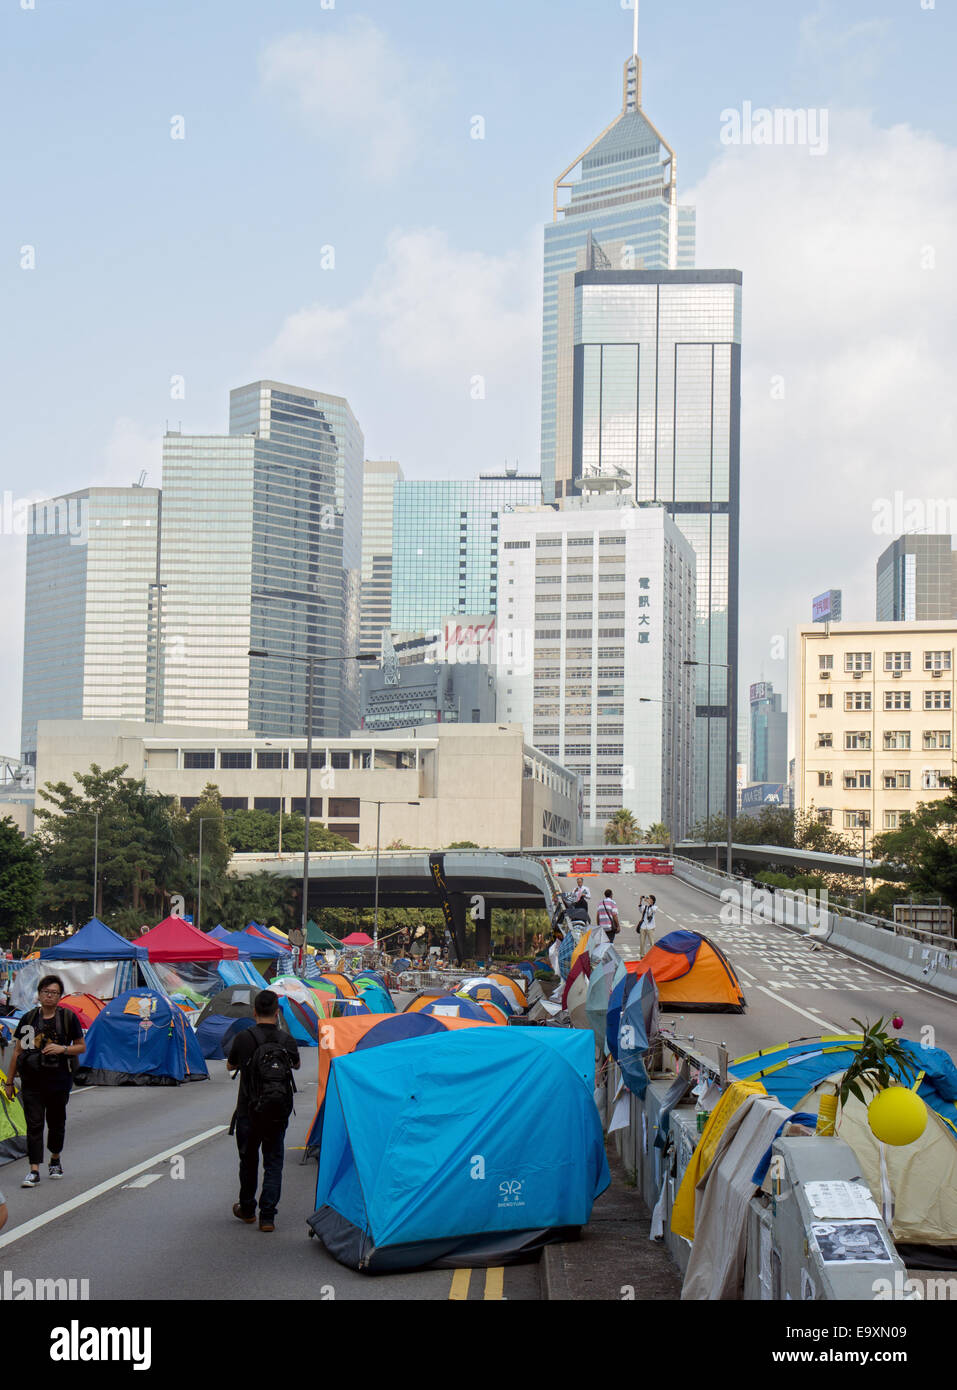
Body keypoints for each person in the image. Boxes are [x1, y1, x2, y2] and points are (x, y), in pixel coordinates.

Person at [226, 990, 300, 1232]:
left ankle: (247, 1209)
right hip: (277, 1109)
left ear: (254, 1012)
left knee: (248, 1160)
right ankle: (267, 1216)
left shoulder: (244, 1038)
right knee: (273, 1161)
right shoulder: (285, 1039)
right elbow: (296, 1064)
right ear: (277, 1012)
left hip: (249, 1108)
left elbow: (230, 1064)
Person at [2, 975, 84, 1188]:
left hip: (58, 1080)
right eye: (46, 992)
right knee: (34, 1124)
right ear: (39, 994)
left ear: (59, 996)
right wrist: (9, 1083)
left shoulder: (67, 1018)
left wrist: (62, 1049)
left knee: (56, 1122)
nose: (49, 996)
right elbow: (18, 1052)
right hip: (32, 1081)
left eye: (54, 993)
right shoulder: (29, 1019)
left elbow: (81, 1046)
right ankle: (34, 1169)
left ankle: (55, 1159)